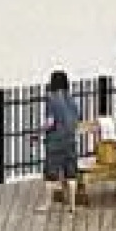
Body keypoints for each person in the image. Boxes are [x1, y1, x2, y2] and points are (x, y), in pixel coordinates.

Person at [39, 71, 83, 212]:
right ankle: (72, 205)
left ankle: (47, 204)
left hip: (55, 140)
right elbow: (77, 119)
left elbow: (50, 122)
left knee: (51, 174)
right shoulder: (71, 99)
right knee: (71, 173)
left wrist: (40, 131)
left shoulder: (51, 98)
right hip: (70, 140)